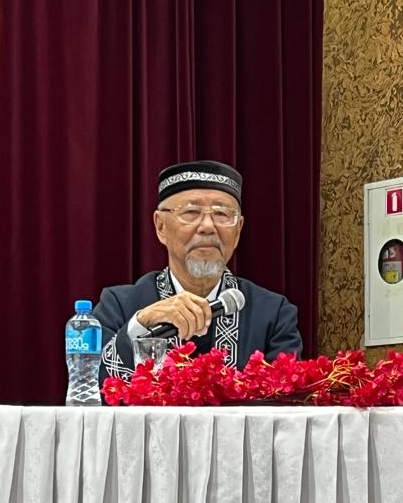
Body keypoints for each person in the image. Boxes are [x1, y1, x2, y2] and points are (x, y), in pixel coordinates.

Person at [95, 159, 301, 381]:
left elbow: (284, 397)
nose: (208, 227)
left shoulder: (273, 313)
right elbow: (90, 384)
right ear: (161, 226)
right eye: (191, 212)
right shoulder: (119, 306)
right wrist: (141, 325)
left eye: (222, 214)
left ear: (239, 230)